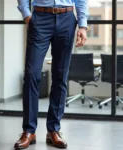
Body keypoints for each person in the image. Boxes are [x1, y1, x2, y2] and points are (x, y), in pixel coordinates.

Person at [14, 0, 88, 149]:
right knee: (31, 74)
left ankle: (53, 129)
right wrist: (27, 15)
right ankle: (29, 131)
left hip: (67, 18)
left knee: (60, 76)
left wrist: (83, 25)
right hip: (40, 17)